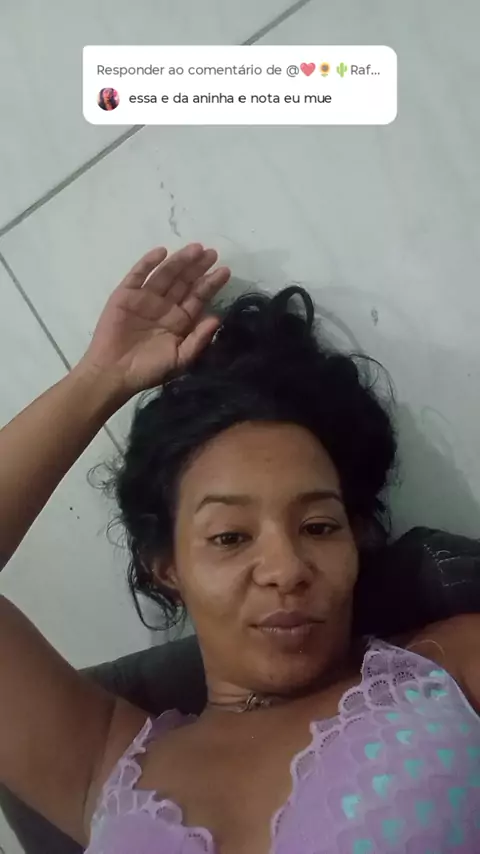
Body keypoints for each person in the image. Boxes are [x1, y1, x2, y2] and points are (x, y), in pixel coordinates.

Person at [0, 241, 479, 854]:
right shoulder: (100, 770)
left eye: (319, 527)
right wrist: (99, 380)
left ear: (357, 538)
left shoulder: (451, 673)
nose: (286, 569)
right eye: (230, 537)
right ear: (167, 566)